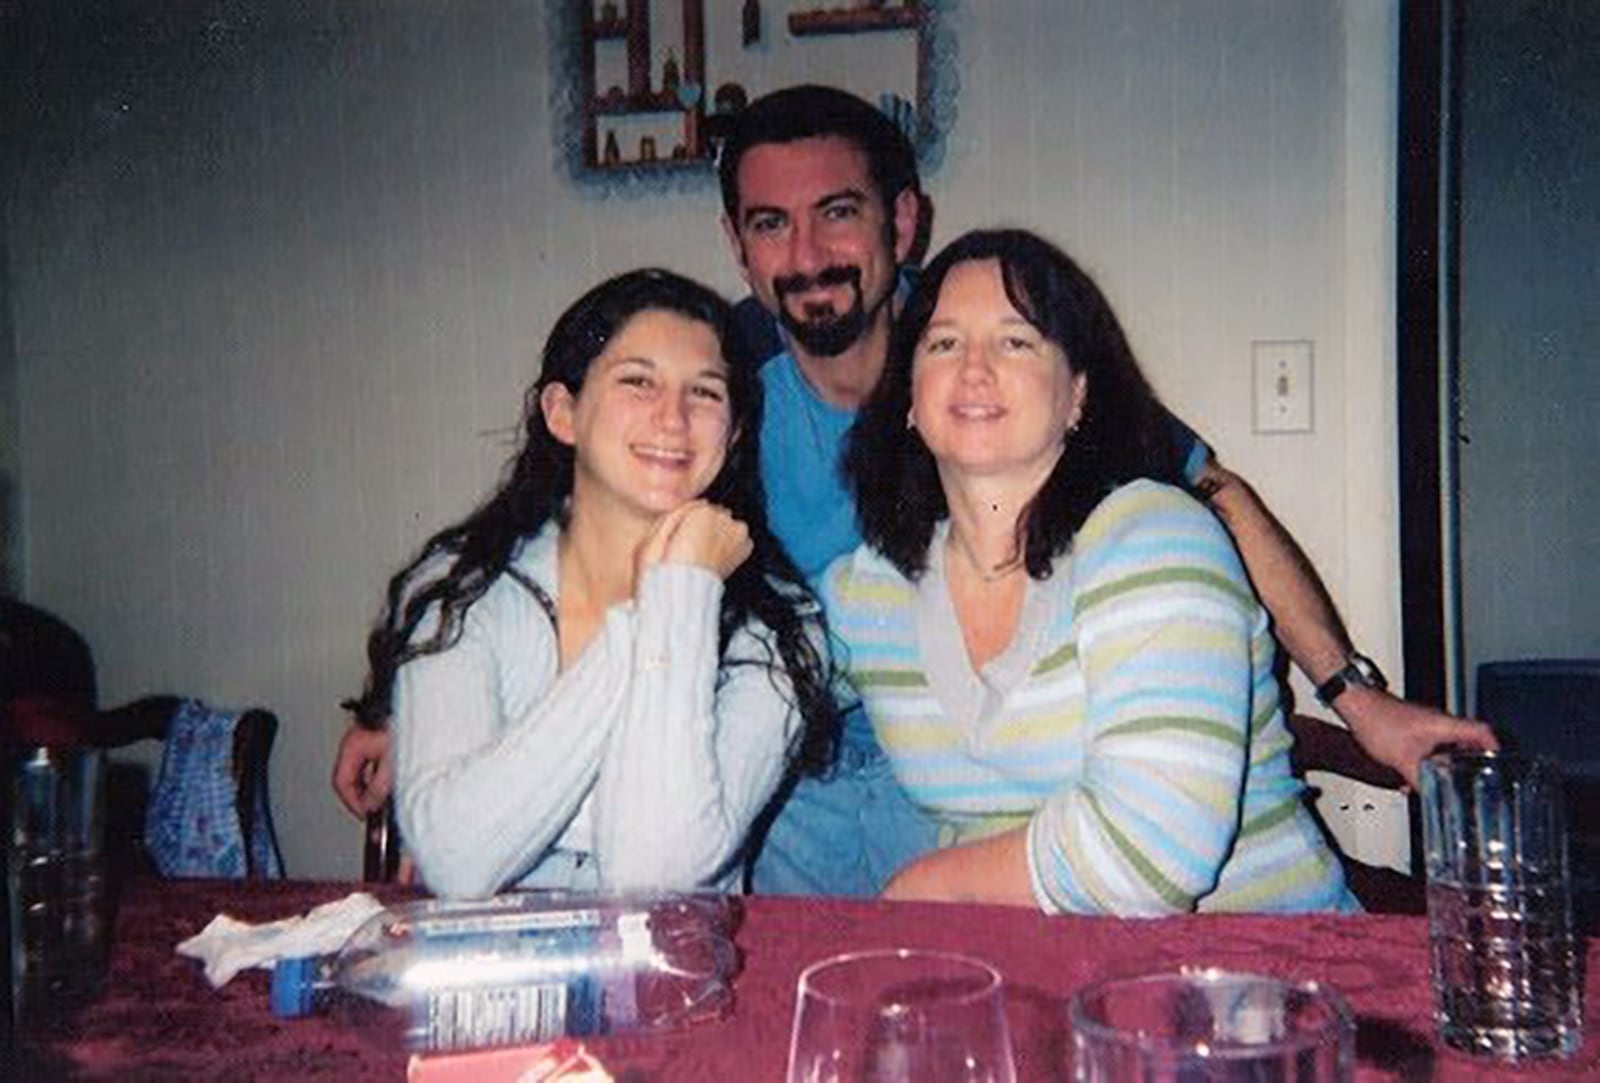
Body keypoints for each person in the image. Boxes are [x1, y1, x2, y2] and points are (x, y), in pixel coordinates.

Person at [334, 85, 1494, 890]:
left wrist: (1356, 697)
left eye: (837, 213)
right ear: (739, 247)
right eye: (769, 225)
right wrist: (398, 697)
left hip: (967, 775)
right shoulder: (717, 376)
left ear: (901, 222)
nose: (806, 254)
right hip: (785, 763)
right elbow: (557, 518)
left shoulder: (991, 356)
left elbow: (1218, 497)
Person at [827, 228, 1355, 912]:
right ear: (908, 395)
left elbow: (1150, 855)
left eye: (1016, 340)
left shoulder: (1154, 536)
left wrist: (923, 884)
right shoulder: (869, 585)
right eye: (943, 343)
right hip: (1041, 982)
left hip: (1271, 982)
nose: (974, 367)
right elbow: (764, 690)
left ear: (1077, 393)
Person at [343, 268, 835, 897]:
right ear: (564, 412)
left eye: (706, 393)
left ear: (733, 434)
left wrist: (680, 598)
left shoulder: (778, 625)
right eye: (637, 381)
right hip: (492, 978)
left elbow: (653, 878)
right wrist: (646, 618)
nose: (674, 418)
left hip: (670, 980)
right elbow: (455, 862)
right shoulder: (463, 588)